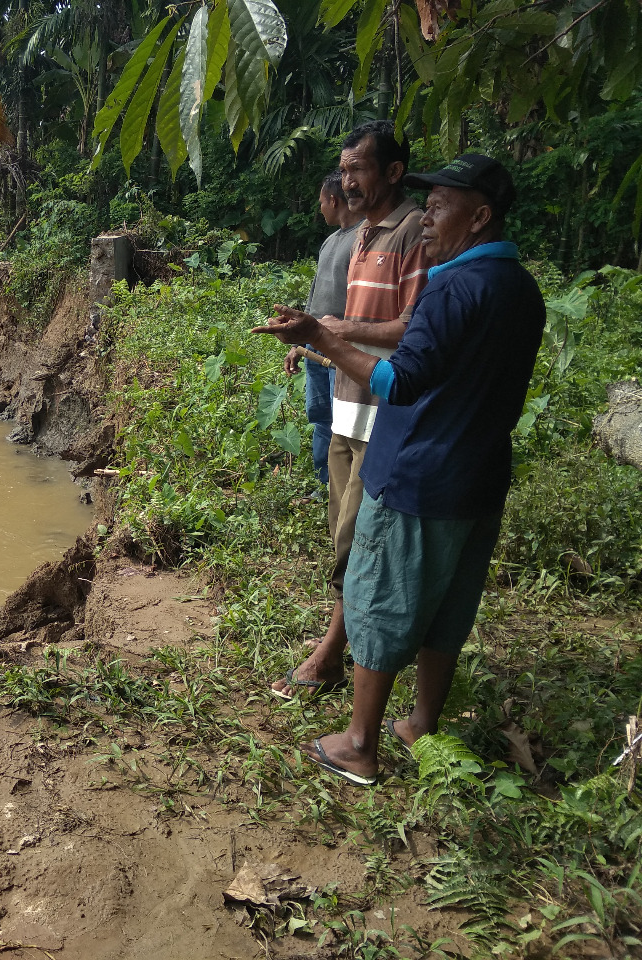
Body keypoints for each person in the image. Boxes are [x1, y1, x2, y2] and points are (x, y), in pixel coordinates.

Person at [253, 153, 546, 784]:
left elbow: (399, 381)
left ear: (481, 216)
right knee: (448, 604)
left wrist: (323, 339)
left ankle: (360, 744)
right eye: (431, 202)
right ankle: (421, 724)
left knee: (380, 599)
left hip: (418, 471)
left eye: (442, 205)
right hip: (479, 475)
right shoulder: (520, 287)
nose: (430, 215)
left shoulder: (452, 287)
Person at [271, 121, 430, 699]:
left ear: (392, 171)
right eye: (342, 171)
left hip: (383, 410)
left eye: (356, 168)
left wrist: (334, 329)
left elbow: (412, 327)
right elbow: (351, 322)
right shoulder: (363, 234)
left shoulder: (414, 231)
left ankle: (335, 652)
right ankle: (341, 644)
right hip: (346, 403)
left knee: (359, 533)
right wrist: (314, 337)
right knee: (343, 524)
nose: (347, 181)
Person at [291, 170, 361, 486]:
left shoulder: (364, 239)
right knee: (320, 416)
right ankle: (324, 486)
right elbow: (315, 294)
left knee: (342, 421)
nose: (320, 208)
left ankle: (342, 491)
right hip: (314, 344)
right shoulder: (330, 241)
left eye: (321, 202)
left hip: (339, 346)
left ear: (333, 200)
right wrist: (298, 339)